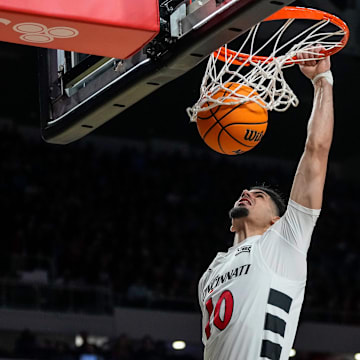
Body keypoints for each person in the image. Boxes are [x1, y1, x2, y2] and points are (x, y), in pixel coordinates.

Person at [198, 47, 334, 360]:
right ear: (232, 222)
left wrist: (322, 81)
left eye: (259, 196)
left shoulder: (285, 240)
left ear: (277, 220)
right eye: (248, 192)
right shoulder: (209, 273)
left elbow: (317, 150)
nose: (247, 191)